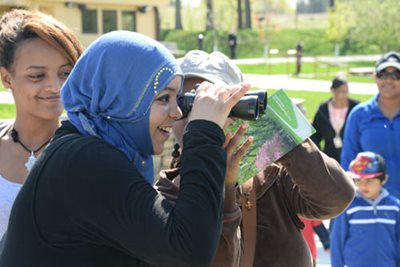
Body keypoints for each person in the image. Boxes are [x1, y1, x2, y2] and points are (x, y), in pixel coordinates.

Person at [0, 31, 250, 266]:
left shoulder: (79, 149)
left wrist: (223, 184)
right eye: (164, 98)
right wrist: (204, 131)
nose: (177, 113)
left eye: (179, 100)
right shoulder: (86, 162)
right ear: (121, 97)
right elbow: (190, 250)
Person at [156, 50, 356, 267]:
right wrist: (224, 189)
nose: (197, 116)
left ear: (240, 108)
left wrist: (281, 133)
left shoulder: (272, 175)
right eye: (185, 104)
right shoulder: (167, 193)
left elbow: (335, 199)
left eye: (211, 103)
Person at [0, 9, 83, 237]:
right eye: (37, 76)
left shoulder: (88, 152)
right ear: (7, 78)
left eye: (65, 73)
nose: (55, 87)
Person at [341, 51, 400, 198]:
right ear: (375, 77)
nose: (389, 80)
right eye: (383, 75)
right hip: (371, 208)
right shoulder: (359, 115)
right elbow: (348, 162)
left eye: (396, 75)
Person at [331, 151, 400, 267]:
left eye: (368, 181)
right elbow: (337, 241)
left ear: (384, 179)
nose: (362, 186)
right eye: (358, 180)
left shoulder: (395, 207)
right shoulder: (348, 207)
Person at [311, 75, 359, 162]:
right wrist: (319, 155)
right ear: (333, 90)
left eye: (346, 91)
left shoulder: (355, 108)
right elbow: (314, 135)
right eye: (341, 91)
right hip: (330, 158)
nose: (345, 94)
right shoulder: (323, 109)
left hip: (352, 157)